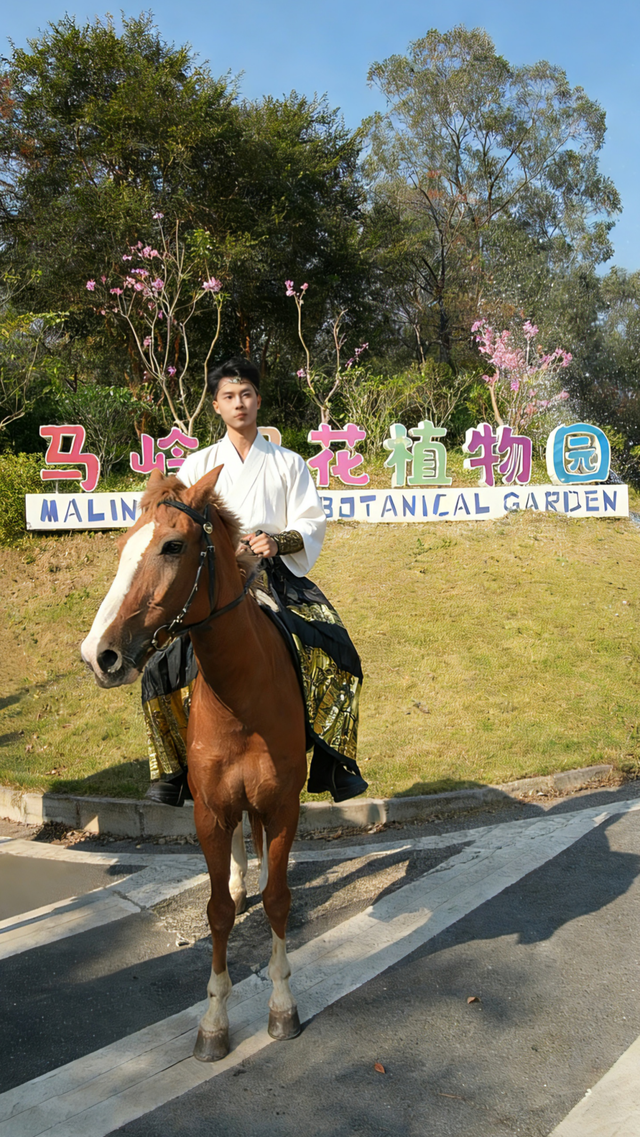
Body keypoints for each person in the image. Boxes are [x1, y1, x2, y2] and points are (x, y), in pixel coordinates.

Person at [142, 356, 368, 806]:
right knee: (158, 666)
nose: (239, 403)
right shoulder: (199, 464)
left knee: (339, 649)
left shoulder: (288, 463)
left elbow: (310, 521)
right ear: (216, 406)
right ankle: (174, 771)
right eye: (228, 396)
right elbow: (176, 524)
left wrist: (278, 541)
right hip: (210, 581)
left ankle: (332, 762)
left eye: (246, 394)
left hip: (276, 577)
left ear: (258, 400)